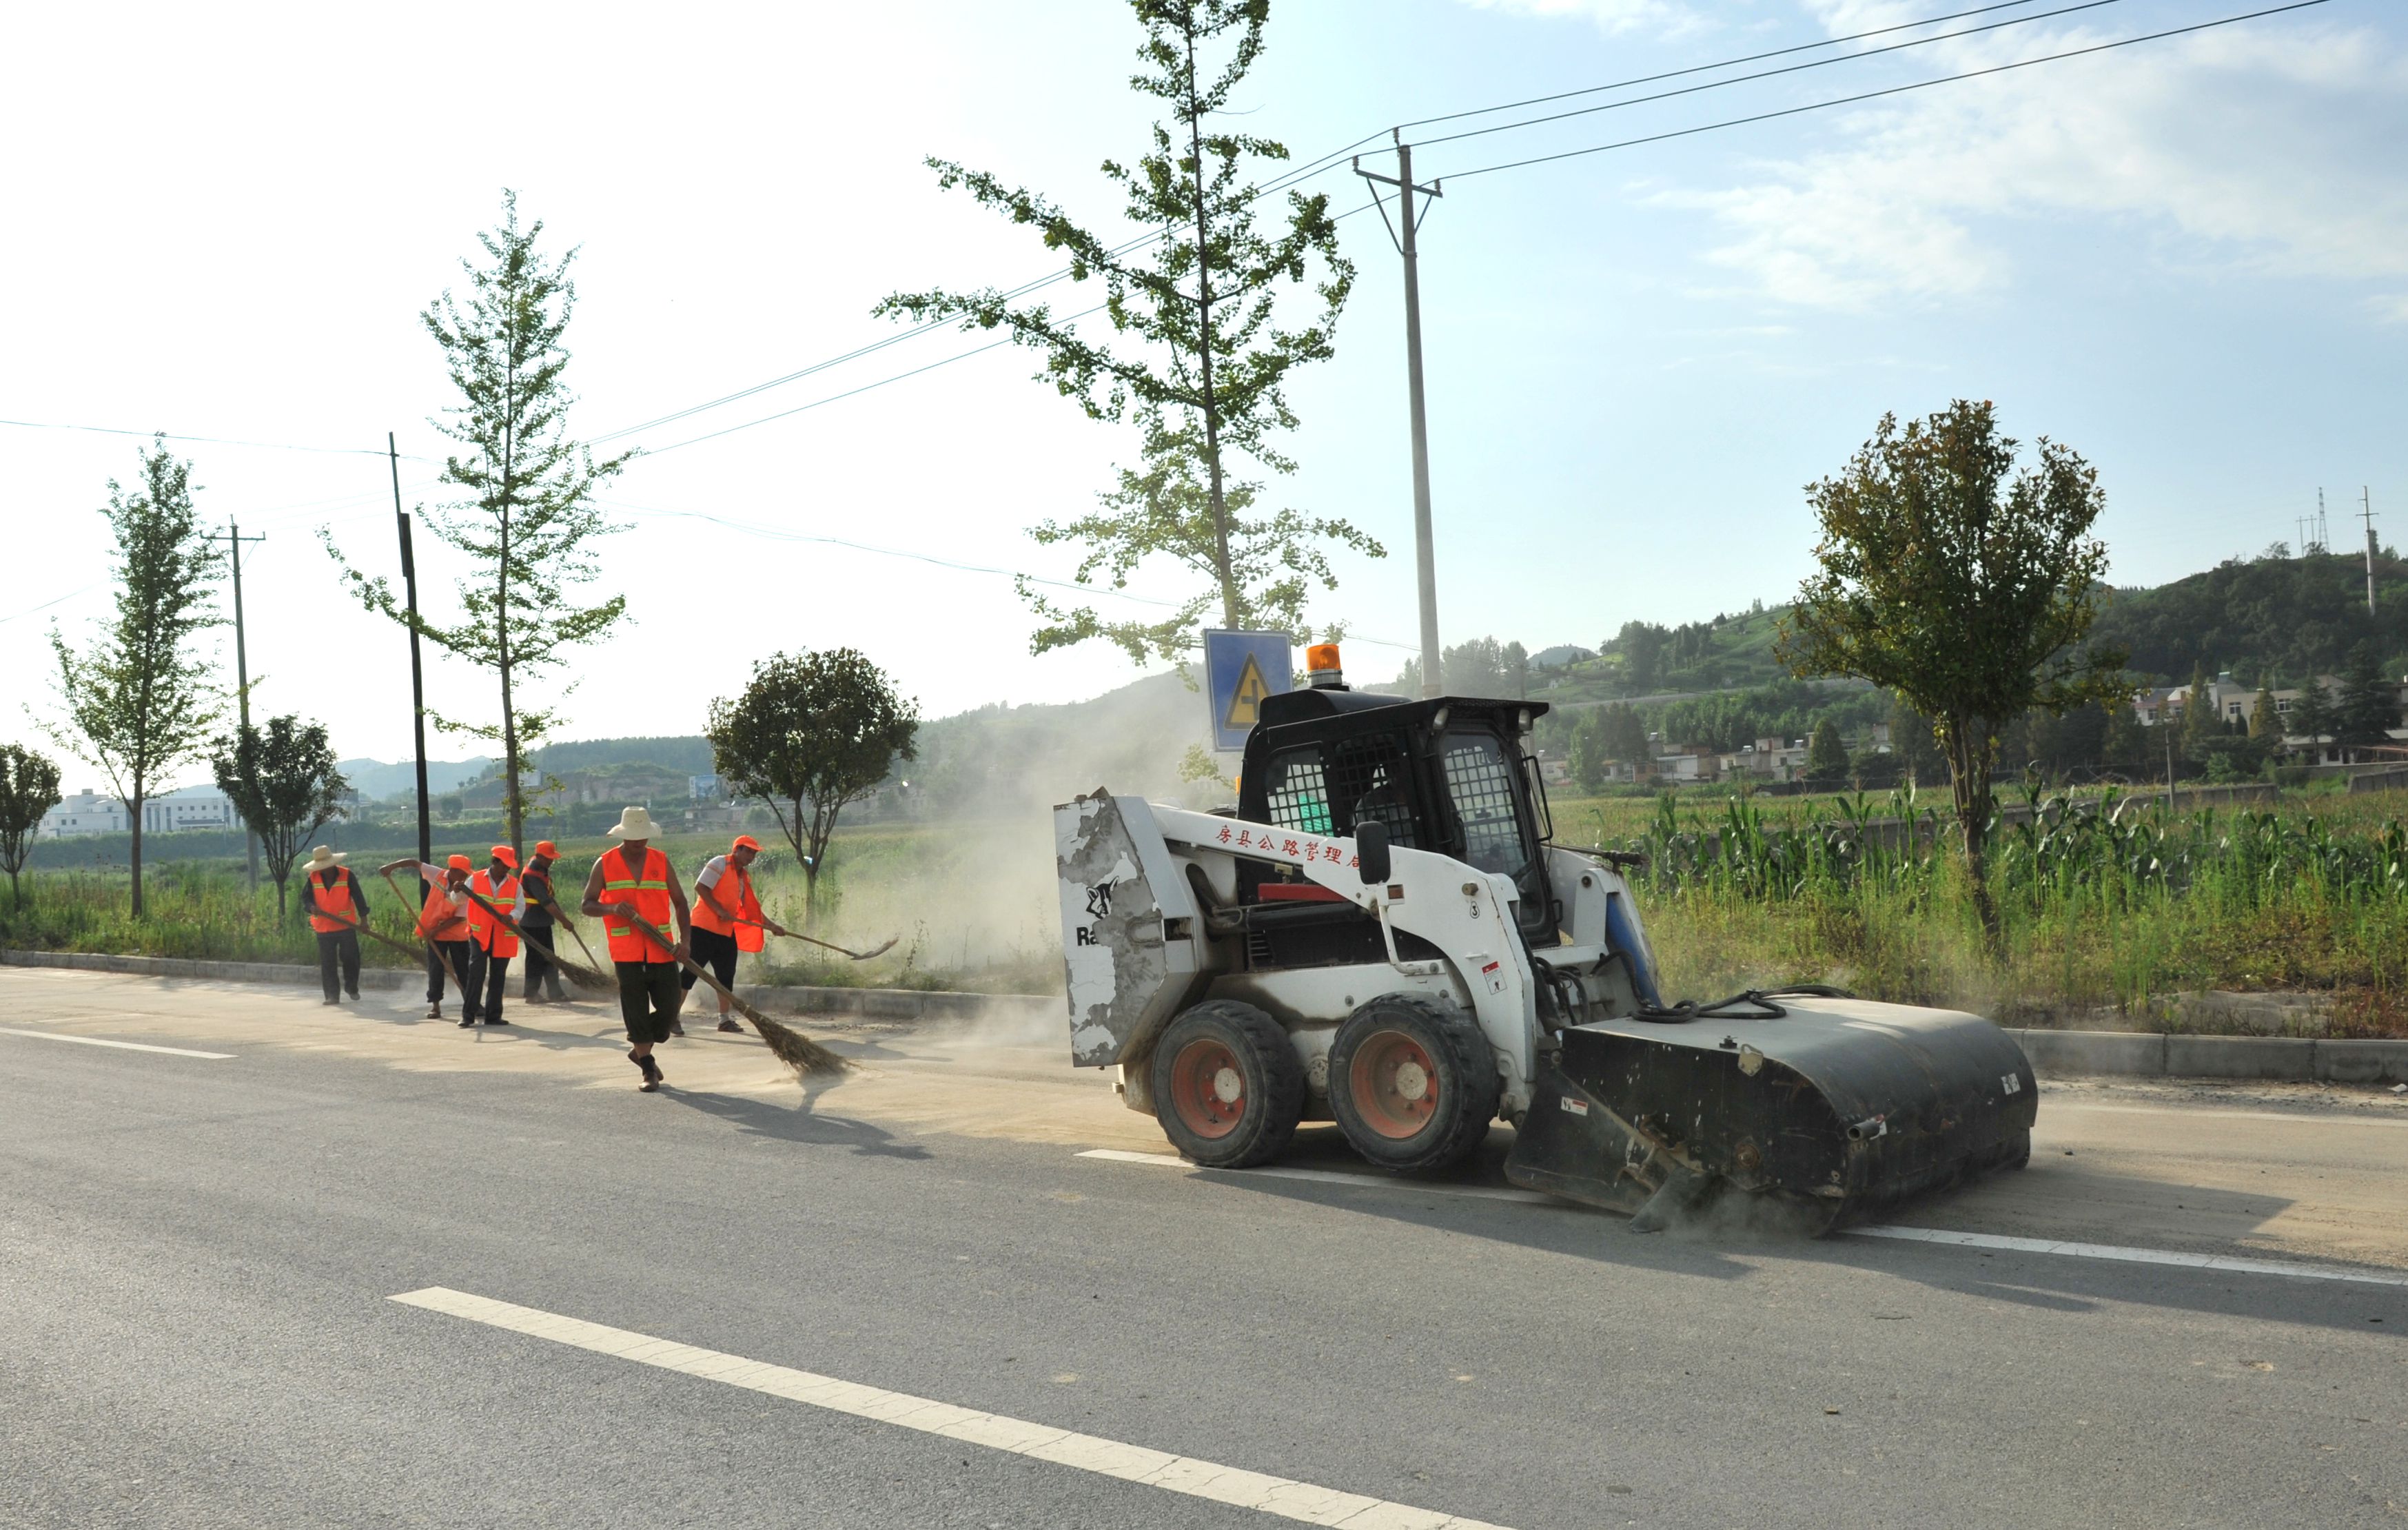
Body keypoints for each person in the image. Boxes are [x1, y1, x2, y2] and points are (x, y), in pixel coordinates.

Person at [580, 806, 691, 1092]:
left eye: (643, 837)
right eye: (633, 838)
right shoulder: (604, 863)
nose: (639, 842)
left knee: (670, 1009)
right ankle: (648, 1067)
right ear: (623, 835)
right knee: (636, 1012)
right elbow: (587, 904)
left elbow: (680, 902)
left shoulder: (661, 861)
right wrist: (612, 908)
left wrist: (685, 942)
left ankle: (640, 1049)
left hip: (662, 948)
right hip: (626, 953)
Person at [684, 833, 793, 1032]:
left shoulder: (742, 877)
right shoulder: (719, 863)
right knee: (690, 974)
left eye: (754, 854)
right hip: (702, 929)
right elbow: (701, 887)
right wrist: (718, 910)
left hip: (726, 932)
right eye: (748, 852)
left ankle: (724, 1020)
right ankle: (671, 1018)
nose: (751, 857)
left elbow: (751, 911)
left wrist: (772, 926)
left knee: (726, 977)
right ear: (736, 850)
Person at [384, 853, 478, 1023]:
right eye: (462, 873)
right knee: (436, 969)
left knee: (464, 970)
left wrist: (435, 931)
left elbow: (459, 918)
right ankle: (436, 1006)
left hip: (456, 934)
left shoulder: (466, 888)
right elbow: (413, 862)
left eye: (466, 874)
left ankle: (472, 1004)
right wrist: (391, 867)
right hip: (434, 932)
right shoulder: (437, 874)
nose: (465, 877)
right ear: (453, 871)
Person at [463, 844, 529, 1028]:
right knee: (476, 973)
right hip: (479, 934)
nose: (507, 869)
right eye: (504, 865)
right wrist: (456, 890)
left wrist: (512, 916)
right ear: (494, 862)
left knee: (498, 976)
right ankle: (468, 1016)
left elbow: (520, 907)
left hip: (502, 936)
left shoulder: (514, 884)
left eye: (509, 866)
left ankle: (493, 1016)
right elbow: (457, 899)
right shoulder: (475, 879)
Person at [299, 845, 369, 1005]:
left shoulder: (347, 875)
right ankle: (332, 995)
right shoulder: (313, 878)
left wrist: (364, 921)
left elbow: (359, 897)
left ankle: (352, 988)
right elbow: (306, 899)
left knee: (351, 959)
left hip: (346, 926)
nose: (324, 869)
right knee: (328, 963)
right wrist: (311, 907)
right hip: (324, 927)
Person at [518, 840, 575, 1004]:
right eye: (548, 858)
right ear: (538, 856)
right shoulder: (531, 874)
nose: (551, 861)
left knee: (549, 957)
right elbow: (546, 902)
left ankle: (555, 993)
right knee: (535, 958)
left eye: (552, 858)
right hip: (531, 921)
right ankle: (531, 994)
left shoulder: (541, 869)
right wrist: (564, 921)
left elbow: (550, 897)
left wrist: (564, 918)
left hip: (542, 920)